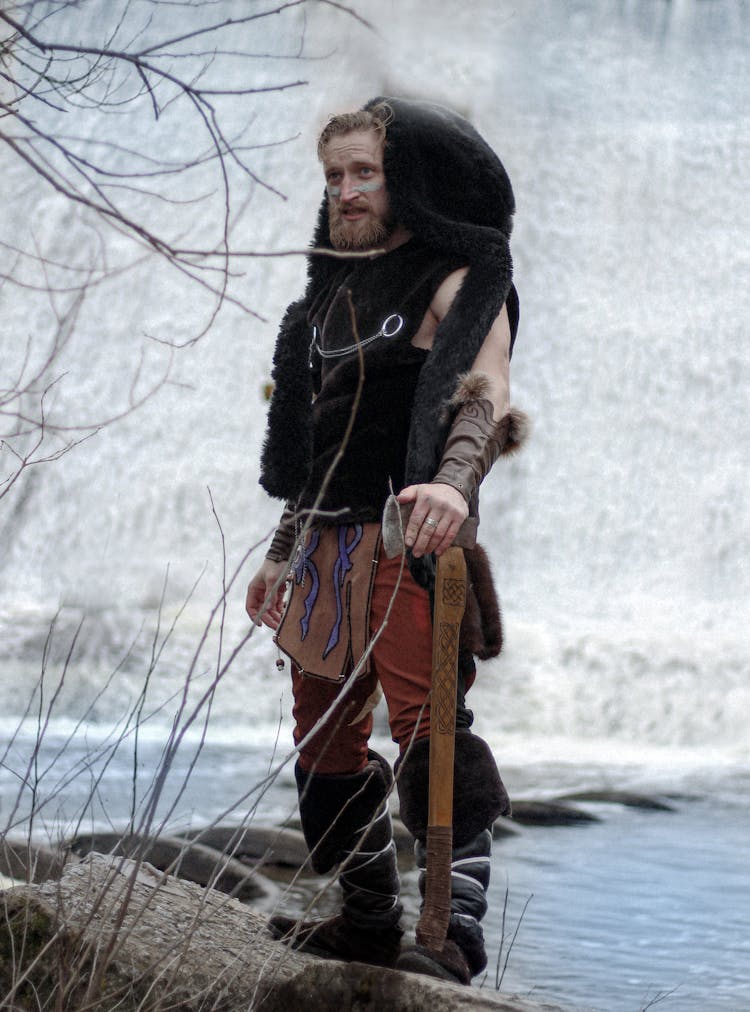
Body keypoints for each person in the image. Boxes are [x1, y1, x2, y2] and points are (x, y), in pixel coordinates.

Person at [245, 96, 528, 986]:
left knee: (430, 733)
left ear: (403, 178)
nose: (347, 191)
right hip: (326, 553)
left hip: (413, 540)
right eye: (334, 177)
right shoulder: (322, 303)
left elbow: (484, 395)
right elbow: (317, 448)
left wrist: (451, 483)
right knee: (323, 745)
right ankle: (368, 921)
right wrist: (282, 548)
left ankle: (451, 934)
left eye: (364, 172)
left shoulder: (454, 281)